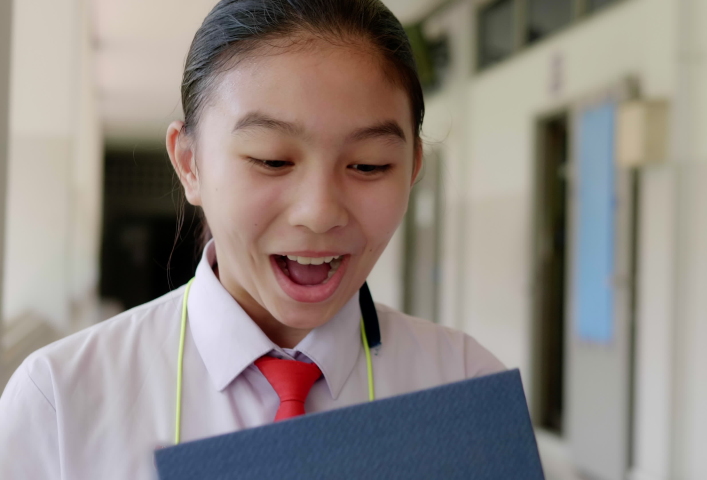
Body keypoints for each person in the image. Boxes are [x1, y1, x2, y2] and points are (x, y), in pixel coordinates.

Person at [0, 0, 504, 477]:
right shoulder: (60, 403)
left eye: (368, 165)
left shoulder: (463, 386)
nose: (319, 212)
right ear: (190, 164)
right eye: (271, 160)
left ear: (413, 168)